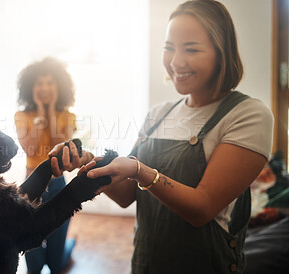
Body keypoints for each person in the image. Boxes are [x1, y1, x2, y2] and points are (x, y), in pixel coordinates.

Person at [49, 1, 274, 273]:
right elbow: (126, 196)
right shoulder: (158, 115)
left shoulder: (248, 114)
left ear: (221, 52)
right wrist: (87, 163)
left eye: (191, 49)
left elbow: (202, 209)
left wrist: (141, 171)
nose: (176, 61)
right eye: (169, 48)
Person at [14, 57, 76, 273]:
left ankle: (69, 246)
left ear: (58, 86)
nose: (44, 88)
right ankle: (67, 246)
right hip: (32, 187)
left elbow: (61, 142)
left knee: (56, 264)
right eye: (39, 83)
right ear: (31, 87)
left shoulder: (68, 116)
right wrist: (41, 112)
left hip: (59, 187)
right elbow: (30, 149)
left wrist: (50, 113)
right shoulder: (22, 116)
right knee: (35, 265)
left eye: (50, 83)